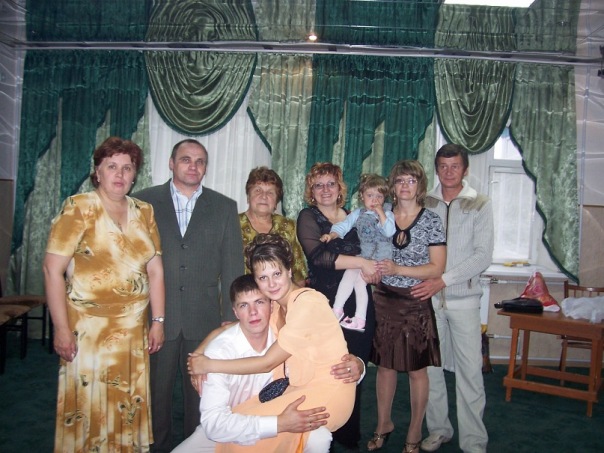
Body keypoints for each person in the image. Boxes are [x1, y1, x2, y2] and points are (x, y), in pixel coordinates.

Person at [43, 136, 165, 452]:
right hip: (89, 330)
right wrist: (61, 328)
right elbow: (52, 270)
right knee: (89, 404)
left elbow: (155, 270)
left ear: (135, 174)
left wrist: (158, 321)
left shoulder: (145, 211)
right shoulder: (78, 208)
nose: (120, 174)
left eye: (127, 167)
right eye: (112, 166)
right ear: (97, 172)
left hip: (132, 330)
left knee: (126, 402)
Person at [188, 234, 357, 452]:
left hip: (328, 392)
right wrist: (198, 354)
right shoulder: (277, 306)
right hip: (296, 388)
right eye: (263, 277)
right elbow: (229, 327)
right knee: (237, 418)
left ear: (289, 270)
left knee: (241, 438)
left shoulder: (308, 303)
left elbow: (267, 363)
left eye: (277, 273)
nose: (271, 283)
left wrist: (209, 365)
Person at [134, 139, 244, 452]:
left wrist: (230, 318)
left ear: (206, 168)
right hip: (157, 317)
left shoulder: (224, 207)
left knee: (202, 395)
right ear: (172, 163)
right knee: (156, 393)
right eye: (185, 159)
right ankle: (157, 446)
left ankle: (194, 447)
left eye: (199, 161)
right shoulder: (143, 202)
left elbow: (233, 266)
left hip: (204, 318)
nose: (193, 166)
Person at [413, 144, 493, 453]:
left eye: (455, 166)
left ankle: (473, 441)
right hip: (429, 302)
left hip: (464, 301)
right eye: (443, 166)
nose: (449, 172)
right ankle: (439, 430)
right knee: (431, 370)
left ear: (465, 169)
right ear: (436, 169)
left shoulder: (480, 203)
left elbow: (482, 256)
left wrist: (443, 280)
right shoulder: (424, 203)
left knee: (470, 373)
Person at [296, 162, 378, 450]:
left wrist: (374, 267)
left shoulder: (356, 215)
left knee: (353, 368)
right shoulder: (308, 217)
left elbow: (374, 245)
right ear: (311, 191)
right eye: (318, 185)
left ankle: (347, 432)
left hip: (359, 305)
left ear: (340, 187)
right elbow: (319, 257)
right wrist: (362, 262)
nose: (325, 189)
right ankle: (321, 433)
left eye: (331, 183)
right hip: (325, 306)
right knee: (324, 370)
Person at [370, 160, 446, 453]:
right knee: (385, 366)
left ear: (420, 186)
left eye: (411, 181)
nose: (405, 186)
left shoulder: (431, 220)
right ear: (392, 185)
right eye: (400, 180)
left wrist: (398, 269)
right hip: (384, 299)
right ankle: (383, 424)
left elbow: (437, 268)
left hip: (415, 301)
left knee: (416, 370)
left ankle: (414, 431)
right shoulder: (380, 215)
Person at [320, 173, 395, 332]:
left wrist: (381, 213)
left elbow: (389, 232)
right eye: (370, 195)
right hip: (365, 257)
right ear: (362, 196)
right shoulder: (358, 214)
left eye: (379, 196)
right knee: (353, 278)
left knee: (358, 281)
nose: (375, 200)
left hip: (380, 258)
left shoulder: (388, 213)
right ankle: (344, 312)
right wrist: (332, 235)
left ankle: (350, 314)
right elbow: (344, 225)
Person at [240, 166, 307, 286]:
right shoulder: (231, 225)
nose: (264, 196)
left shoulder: (288, 226)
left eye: (270, 192)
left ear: (276, 202)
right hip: (242, 294)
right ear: (248, 197)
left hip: (280, 294)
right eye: (258, 190)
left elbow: (298, 273)